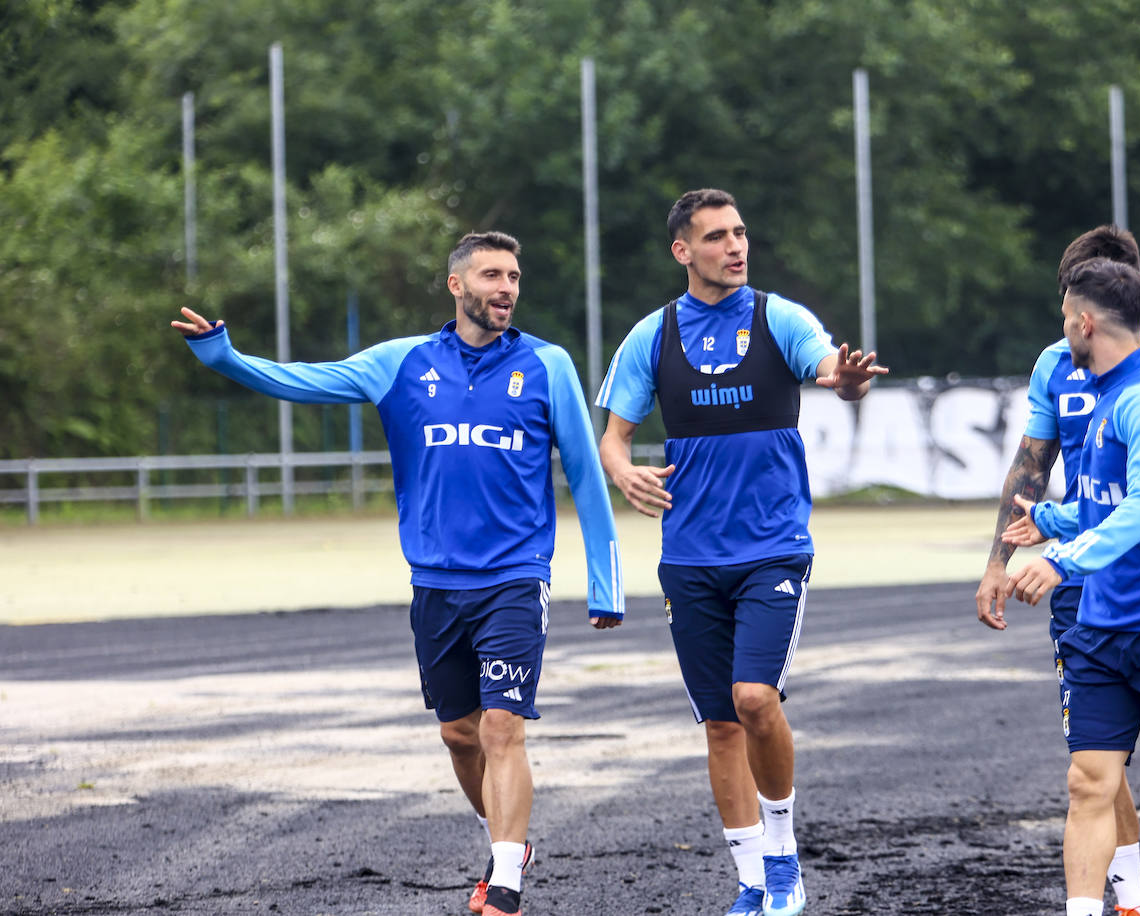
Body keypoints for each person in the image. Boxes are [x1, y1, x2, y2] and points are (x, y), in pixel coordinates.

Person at [171, 230, 624, 916]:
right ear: (457, 285)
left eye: (514, 276)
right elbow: (302, 380)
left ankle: (505, 879)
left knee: (503, 726)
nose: (506, 288)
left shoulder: (548, 363)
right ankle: (506, 837)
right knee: (460, 734)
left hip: (515, 576)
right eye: (493, 275)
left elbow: (586, 478)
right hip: (436, 584)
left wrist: (605, 582)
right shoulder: (400, 363)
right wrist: (225, 357)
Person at [595, 188, 886, 916]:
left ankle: (784, 861)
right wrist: (622, 471)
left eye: (740, 232)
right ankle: (751, 881)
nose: (735, 245)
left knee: (755, 698)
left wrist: (844, 381)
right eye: (718, 236)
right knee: (719, 722)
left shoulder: (776, 318)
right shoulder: (651, 337)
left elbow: (826, 366)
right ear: (682, 250)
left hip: (771, 549)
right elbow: (614, 435)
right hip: (688, 556)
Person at [974, 226, 1140, 916]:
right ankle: (1127, 903)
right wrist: (1004, 559)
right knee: (1095, 772)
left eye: (1074, 316)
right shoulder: (1058, 365)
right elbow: (1036, 467)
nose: (1067, 332)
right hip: (1084, 596)